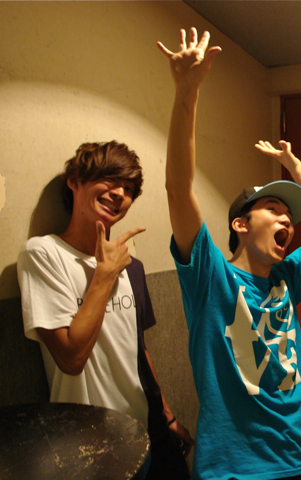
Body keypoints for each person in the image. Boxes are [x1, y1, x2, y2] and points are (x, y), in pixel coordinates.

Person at [157, 28, 301, 480]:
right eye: (273, 209)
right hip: (239, 467)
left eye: (289, 215)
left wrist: (296, 167)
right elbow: (178, 188)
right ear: (240, 225)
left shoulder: (288, 275)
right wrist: (187, 93)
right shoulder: (211, 279)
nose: (287, 220)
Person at [17, 141, 194, 479]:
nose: (119, 194)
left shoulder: (132, 266)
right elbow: (71, 358)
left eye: (128, 189)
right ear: (74, 182)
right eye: (110, 180)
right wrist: (104, 274)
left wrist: (167, 416)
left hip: (145, 429)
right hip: (84, 442)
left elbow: (139, 350)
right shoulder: (43, 255)